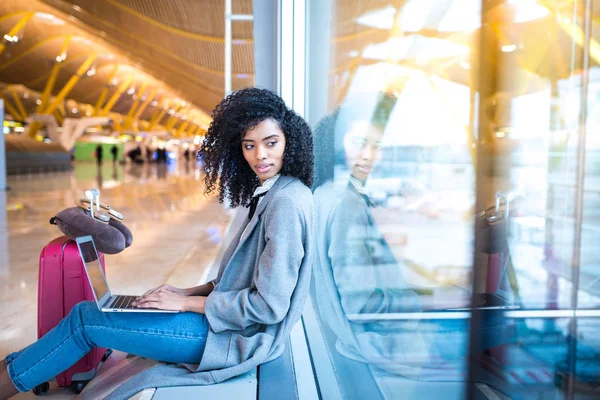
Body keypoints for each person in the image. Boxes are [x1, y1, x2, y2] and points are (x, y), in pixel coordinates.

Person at [0, 87, 315, 400]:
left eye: (270, 143)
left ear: (290, 141)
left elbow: (268, 306)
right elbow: (243, 281)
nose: (260, 155)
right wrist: (185, 291)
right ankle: (9, 370)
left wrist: (184, 304)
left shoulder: (284, 203)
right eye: (250, 145)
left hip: (232, 340)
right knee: (92, 313)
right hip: (225, 327)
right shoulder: (276, 193)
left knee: (86, 319)